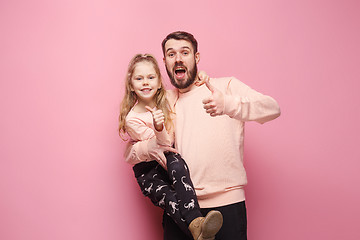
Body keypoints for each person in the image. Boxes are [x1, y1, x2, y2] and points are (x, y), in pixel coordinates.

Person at [124, 31, 281, 240]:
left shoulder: (225, 87)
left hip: (226, 206)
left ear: (196, 57)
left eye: (185, 52)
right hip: (182, 209)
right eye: (171, 54)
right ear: (165, 63)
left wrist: (227, 104)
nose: (178, 58)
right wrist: (146, 148)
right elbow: (129, 152)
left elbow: (272, 108)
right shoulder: (164, 100)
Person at [118, 54, 223, 240]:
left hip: (170, 157)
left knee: (177, 165)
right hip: (148, 169)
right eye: (139, 78)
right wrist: (158, 127)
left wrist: (202, 76)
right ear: (131, 85)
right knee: (169, 198)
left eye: (151, 77)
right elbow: (160, 145)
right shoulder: (132, 119)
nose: (145, 83)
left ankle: (196, 221)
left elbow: (190, 87)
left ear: (159, 82)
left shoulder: (168, 99)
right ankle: (198, 230)